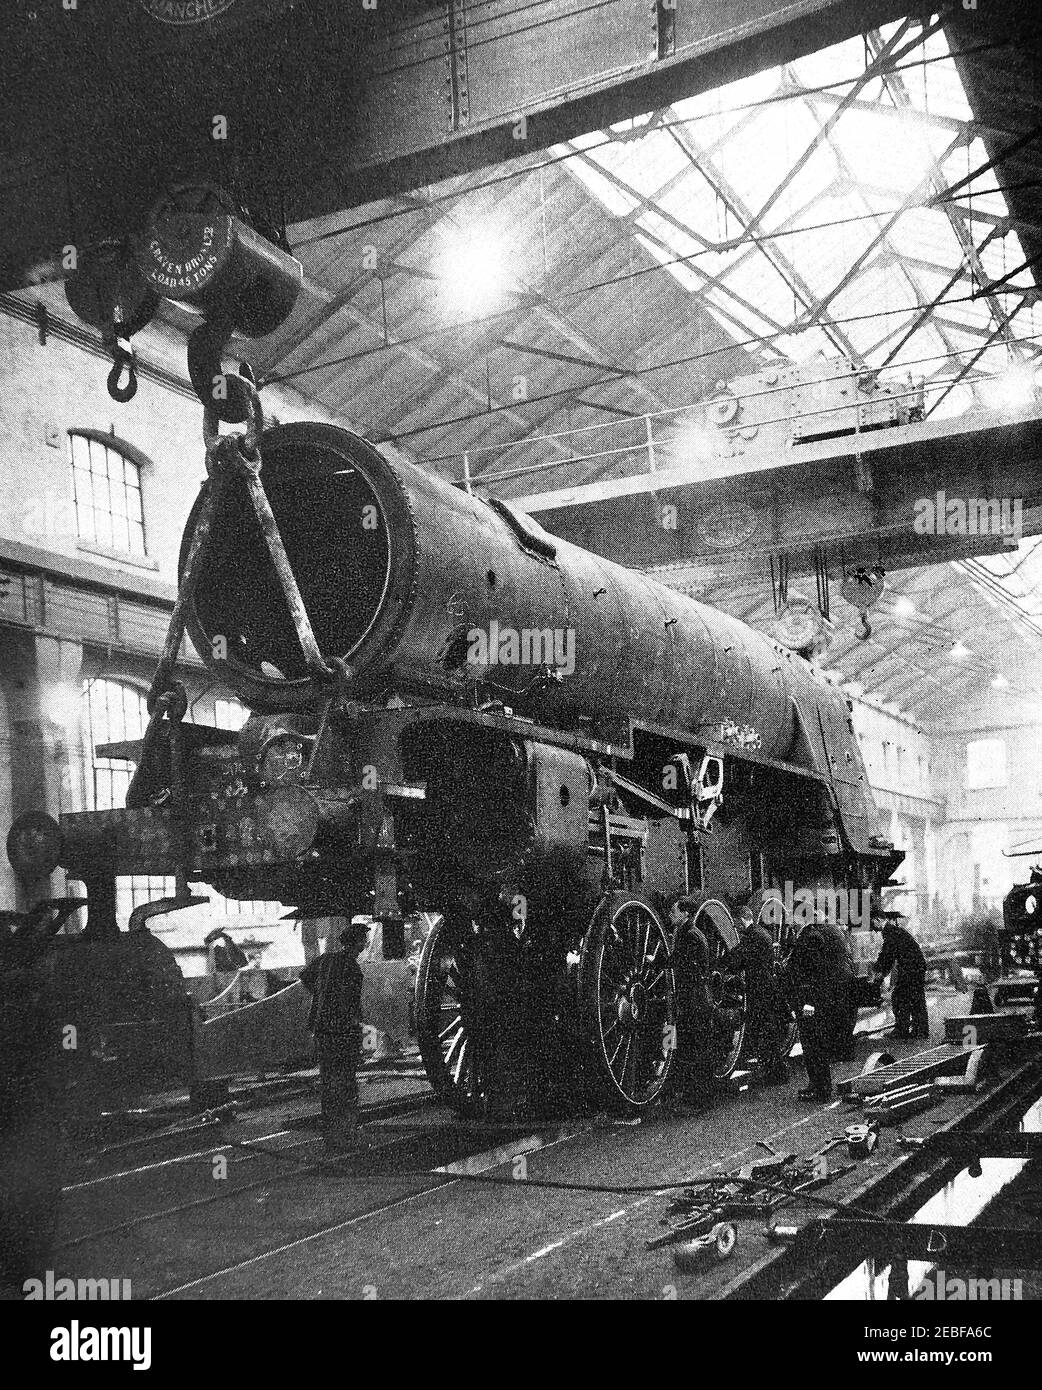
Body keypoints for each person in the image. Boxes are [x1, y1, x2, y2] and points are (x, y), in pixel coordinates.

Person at [299, 921, 370, 1151]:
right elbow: (352, 1006)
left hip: (322, 1030)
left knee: (328, 1080)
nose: (366, 943)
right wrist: (359, 1032)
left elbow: (304, 976)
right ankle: (347, 1134)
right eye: (364, 940)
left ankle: (330, 1134)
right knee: (346, 1082)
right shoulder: (353, 969)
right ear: (358, 943)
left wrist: (320, 997)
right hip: (343, 1032)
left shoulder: (325, 960)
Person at [783, 910, 856, 1101]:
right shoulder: (817, 935)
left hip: (810, 1002)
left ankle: (820, 1089)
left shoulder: (810, 938)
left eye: (794, 922)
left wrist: (807, 1003)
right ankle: (817, 1086)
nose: (792, 926)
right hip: (815, 1000)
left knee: (813, 1045)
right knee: (814, 1045)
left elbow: (811, 973)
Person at [730, 904, 789, 1085]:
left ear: (742, 919)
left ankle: (776, 1074)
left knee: (766, 1033)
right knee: (768, 1032)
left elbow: (740, 958)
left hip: (759, 988)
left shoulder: (752, 936)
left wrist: (724, 962)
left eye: (736, 924)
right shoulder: (761, 933)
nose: (736, 928)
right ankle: (775, 1072)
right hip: (766, 987)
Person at [871, 909, 929, 1040]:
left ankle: (902, 1030)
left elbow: (887, 954)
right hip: (915, 966)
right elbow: (888, 954)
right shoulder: (893, 930)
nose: (873, 928)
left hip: (912, 968)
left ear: (878, 920)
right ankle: (920, 1031)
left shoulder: (890, 932)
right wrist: (881, 970)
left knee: (899, 997)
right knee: (916, 998)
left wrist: (879, 972)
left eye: (873, 923)